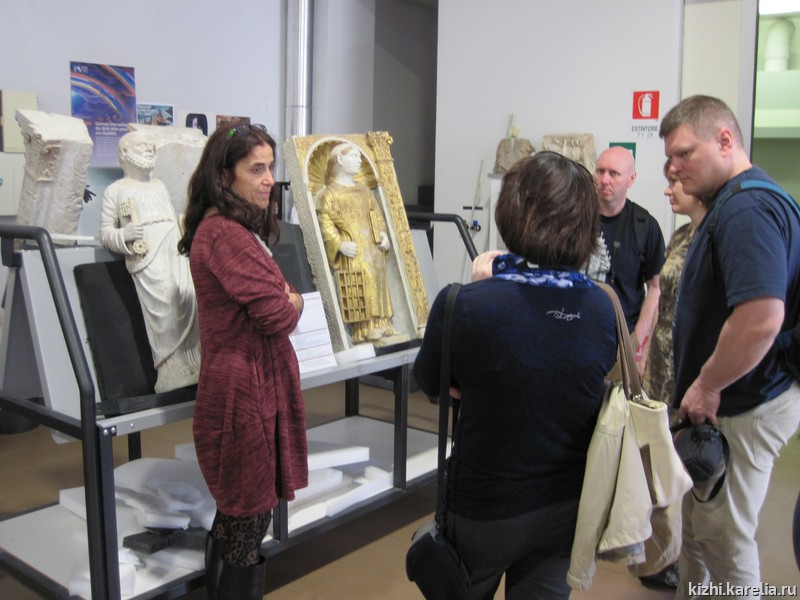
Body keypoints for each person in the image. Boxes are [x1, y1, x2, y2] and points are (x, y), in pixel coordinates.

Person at [413, 151, 617, 600]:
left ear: (510, 215)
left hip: (485, 507)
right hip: (566, 505)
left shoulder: (464, 303)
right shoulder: (603, 308)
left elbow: (431, 382)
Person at [660, 94, 800, 599]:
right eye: (669, 158)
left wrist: (707, 384)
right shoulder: (734, 203)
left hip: (744, 404)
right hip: (729, 406)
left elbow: (761, 318)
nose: (673, 169)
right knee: (700, 533)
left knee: (725, 541)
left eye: (684, 154)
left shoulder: (746, 209)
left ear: (724, 140)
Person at [178, 123, 308, 600]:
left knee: (239, 514)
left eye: (270, 167)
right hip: (243, 390)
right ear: (224, 176)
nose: (269, 179)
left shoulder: (232, 230)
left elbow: (276, 299)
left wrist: (286, 296)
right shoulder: (225, 234)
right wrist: (294, 300)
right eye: (256, 169)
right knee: (248, 516)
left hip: (249, 382)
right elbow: (278, 312)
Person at [636, 160, 708, 590]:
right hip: (662, 369)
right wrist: (644, 349)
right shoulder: (681, 234)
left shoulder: (714, 235)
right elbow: (660, 295)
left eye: (677, 182)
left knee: (688, 472)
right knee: (661, 467)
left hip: (691, 373)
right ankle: (666, 555)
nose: (669, 191)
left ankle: (686, 561)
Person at [99, 130, 200, 393]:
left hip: (174, 250)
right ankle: (169, 368)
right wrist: (124, 235)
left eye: (150, 146)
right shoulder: (115, 190)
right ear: (125, 153)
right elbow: (105, 233)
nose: (149, 150)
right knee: (165, 307)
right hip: (147, 257)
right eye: (141, 146)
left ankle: (193, 361)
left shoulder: (159, 186)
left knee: (187, 297)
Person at [589, 146, 665, 377]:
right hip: (577, 334)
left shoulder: (645, 226)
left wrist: (636, 340)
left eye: (614, 173)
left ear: (631, 179)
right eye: (600, 171)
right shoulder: (575, 218)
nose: (604, 180)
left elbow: (656, 287)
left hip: (622, 342)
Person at [316, 142, 396, 344]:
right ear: (340, 160)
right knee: (360, 283)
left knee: (378, 281)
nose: (359, 161)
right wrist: (339, 244)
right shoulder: (330, 193)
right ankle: (364, 327)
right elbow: (326, 222)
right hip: (353, 248)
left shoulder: (365, 191)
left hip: (373, 246)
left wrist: (383, 235)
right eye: (354, 156)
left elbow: (376, 215)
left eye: (360, 157)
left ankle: (382, 322)